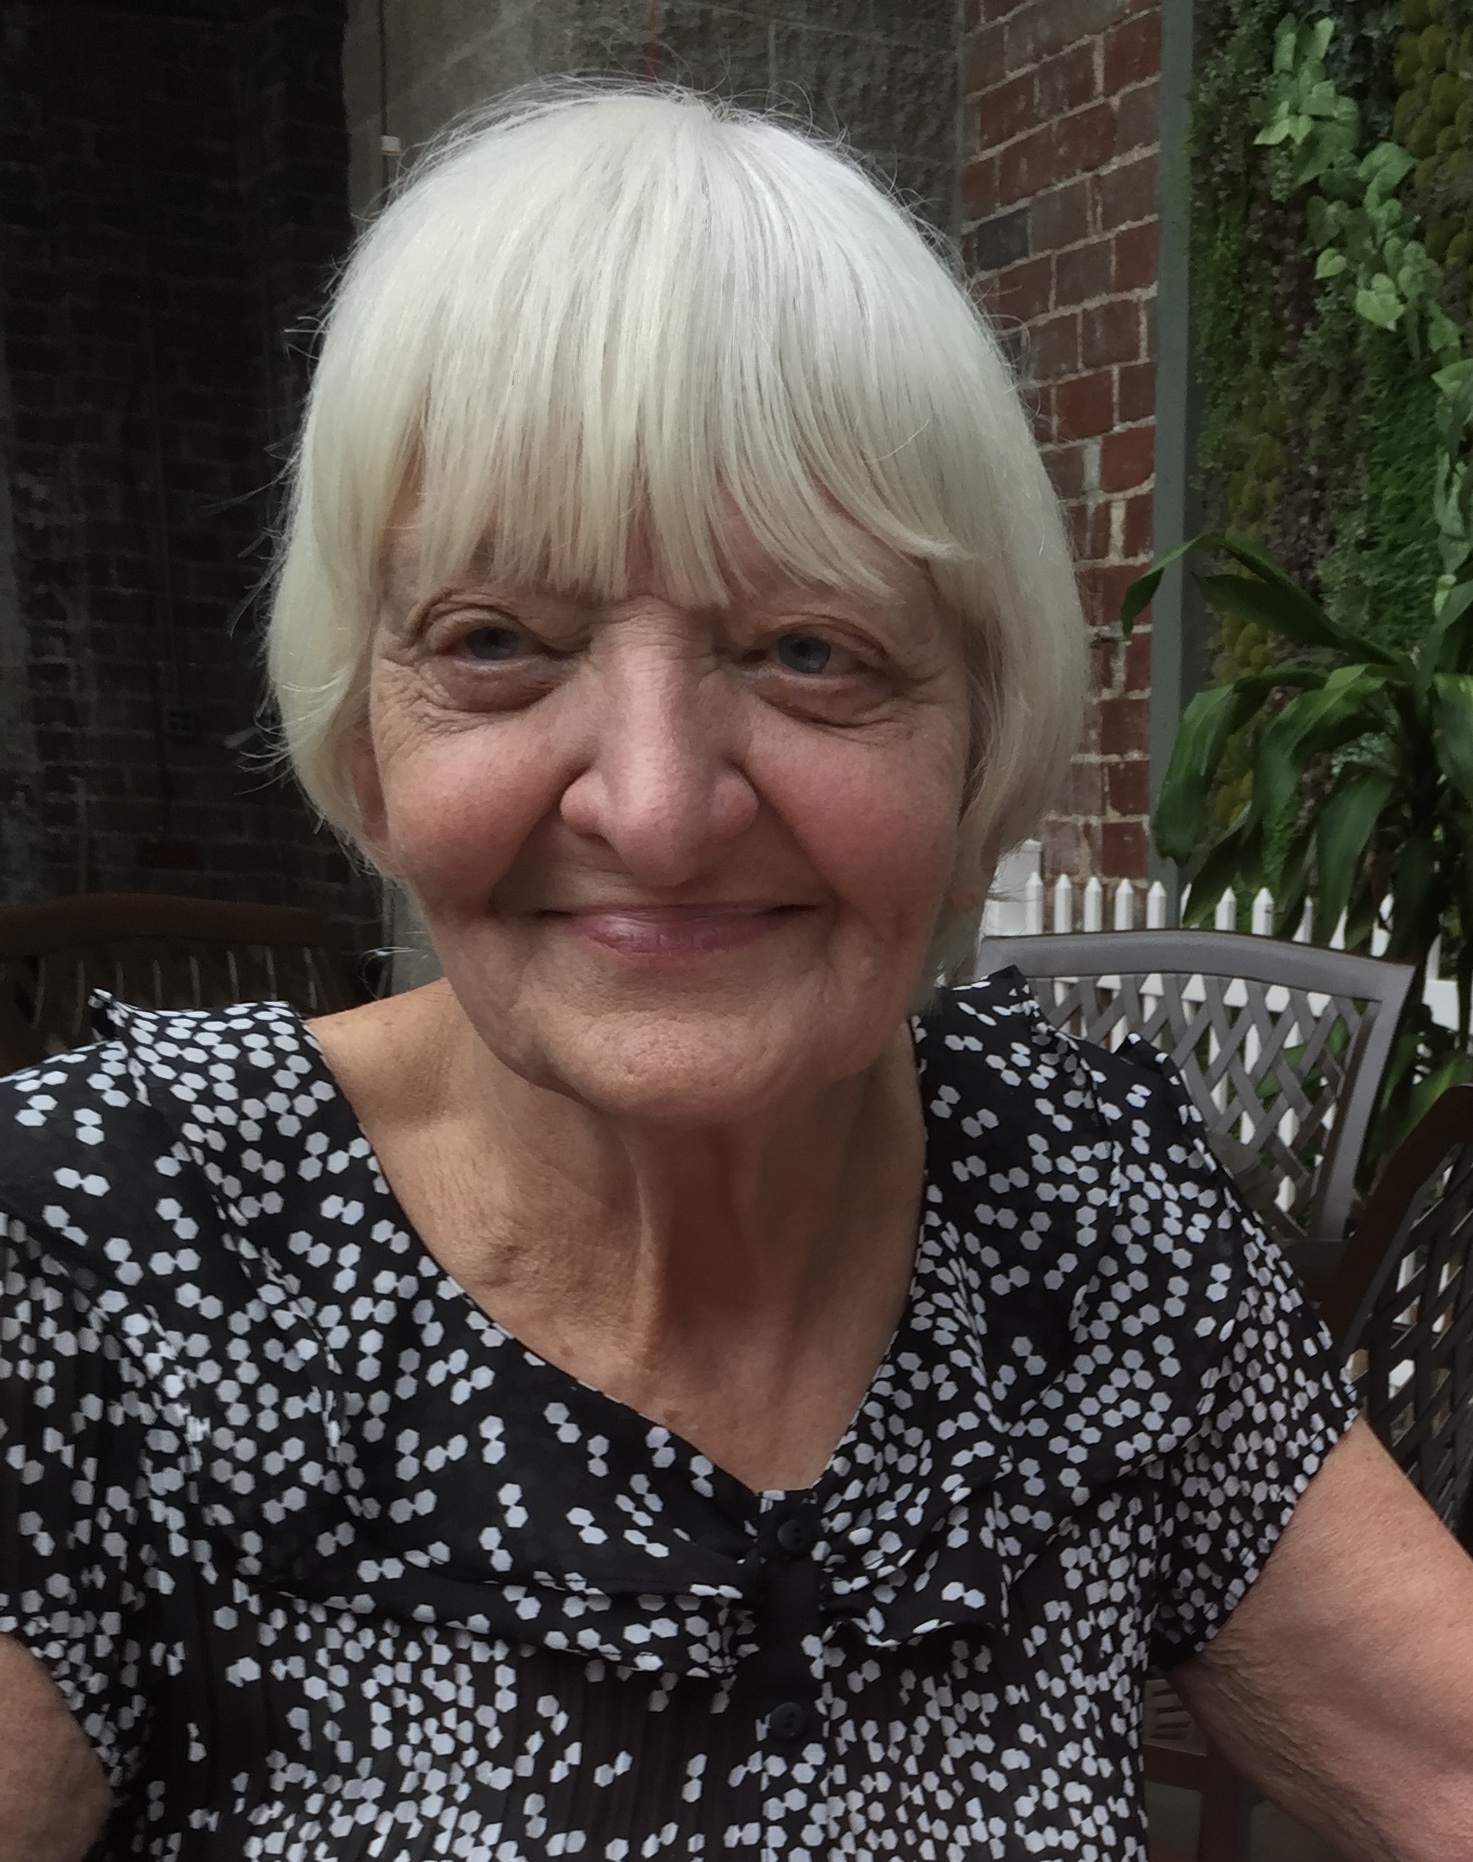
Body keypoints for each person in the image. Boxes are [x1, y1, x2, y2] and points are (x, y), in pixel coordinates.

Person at [1, 82, 1471, 1862]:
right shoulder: (99, 1251)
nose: (654, 806)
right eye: (495, 640)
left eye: (808, 649)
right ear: (368, 736)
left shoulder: (1081, 1220)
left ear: (976, 737)